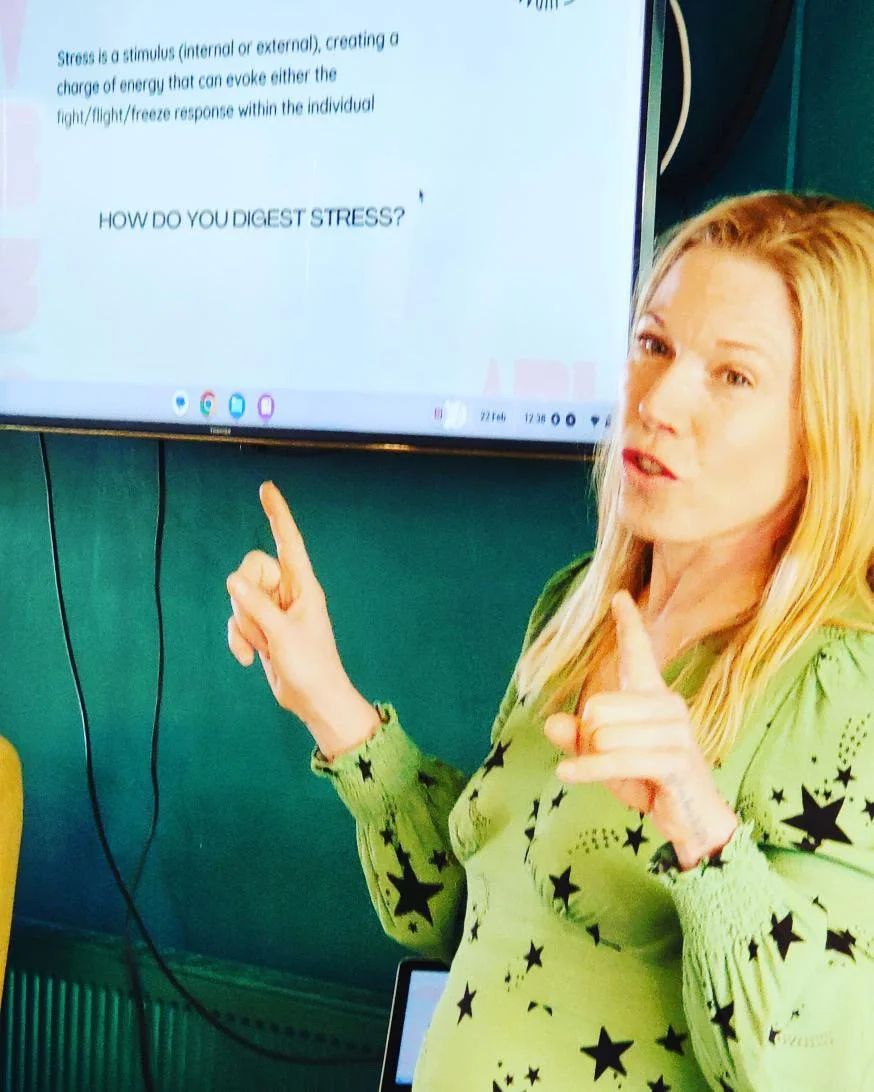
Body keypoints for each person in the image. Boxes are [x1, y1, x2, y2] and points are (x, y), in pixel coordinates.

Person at [225, 192, 874, 1091]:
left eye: (734, 376)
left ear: (825, 431)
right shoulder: (576, 608)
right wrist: (327, 697)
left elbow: (821, 1066)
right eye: (654, 345)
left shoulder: (841, 684)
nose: (658, 403)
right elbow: (454, 916)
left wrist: (698, 823)